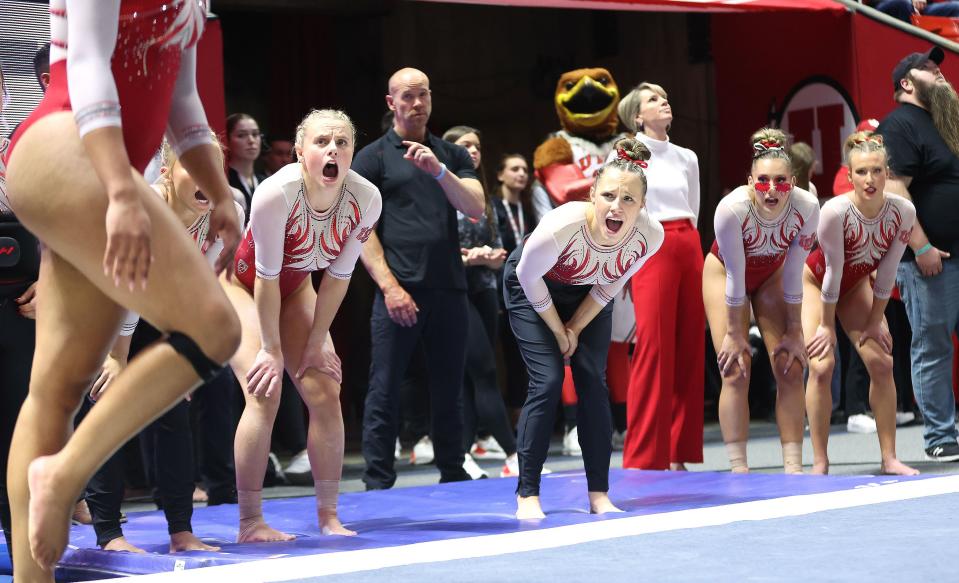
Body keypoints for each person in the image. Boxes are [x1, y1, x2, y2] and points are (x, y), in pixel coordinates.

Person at [3, 1, 242, 576]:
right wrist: (121, 190)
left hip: (96, 168)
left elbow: (183, 103)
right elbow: (86, 63)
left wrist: (222, 193)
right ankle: (62, 475)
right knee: (215, 328)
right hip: (64, 148)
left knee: (58, 391)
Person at [227, 109, 379, 541]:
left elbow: (338, 277)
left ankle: (329, 516)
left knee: (325, 389)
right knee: (265, 391)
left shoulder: (367, 199)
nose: (333, 149)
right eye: (321, 142)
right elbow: (265, 276)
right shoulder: (277, 193)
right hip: (241, 287)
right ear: (299, 151)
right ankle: (250, 521)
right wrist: (271, 350)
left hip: (297, 289)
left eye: (342, 142)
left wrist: (316, 343)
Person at [505, 137, 664, 519]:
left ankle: (599, 494)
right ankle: (528, 494)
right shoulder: (562, 225)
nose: (617, 206)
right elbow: (528, 277)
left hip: (589, 295)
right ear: (592, 194)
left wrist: (575, 327)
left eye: (628, 200)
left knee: (593, 380)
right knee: (546, 381)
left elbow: (609, 284)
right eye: (608, 195)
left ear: (642, 205)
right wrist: (560, 332)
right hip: (532, 287)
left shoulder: (650, 236)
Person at [353, 67, 485, 490]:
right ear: (391, 102)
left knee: (450, 384)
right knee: (385, 385)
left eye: (424, 95)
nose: (417, 104)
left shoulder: (452, 154)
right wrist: (389, 287)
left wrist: (439, 171)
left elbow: (477, 207)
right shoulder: (372, 157)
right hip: (398, 287)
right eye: (408, 96)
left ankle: (452, 469)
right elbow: (360, 229)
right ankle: (377, 479)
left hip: (448, 285)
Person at [704, 129, 819, 474]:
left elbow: (796, 270)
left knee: (791, 364)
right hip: (724, 273)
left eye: (782, 182)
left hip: (772, 274)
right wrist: (736, 334)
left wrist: (797, 330)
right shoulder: (732, 209)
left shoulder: (808, 207)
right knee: (736, 368)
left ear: (794, 182)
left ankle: (794, 466)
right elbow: (736, 280)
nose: (772, 190)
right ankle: (739, 468)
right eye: (764, 181)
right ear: (750, 182)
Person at [804, 132, 919, 476]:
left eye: (876, 171)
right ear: (849, 175)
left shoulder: (903, 211)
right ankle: (821, 461)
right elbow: (832, 272)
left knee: (882, 362)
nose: (870, 180)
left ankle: (889, 458)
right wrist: (826, 326)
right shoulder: (836, 211)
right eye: (861, 172)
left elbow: (886, 273)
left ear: (888, 173)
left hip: (855, 286)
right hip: (816, 283)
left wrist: (873, 322)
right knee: (822, 365)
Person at [615, 82, 704, 471]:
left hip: (688, 242)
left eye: (665, 97)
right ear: (637, 115)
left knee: (689, 346)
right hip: (652, 243)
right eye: (653, 99)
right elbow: (619, 206)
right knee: (653, 347)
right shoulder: (628, 155)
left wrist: (690, 243)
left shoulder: (687, 156)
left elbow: (694, 206)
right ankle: (644, 455)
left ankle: (677, 451)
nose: (663, 102)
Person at [878, 46, 959, 461]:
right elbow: (894, 189)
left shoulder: (945, 124)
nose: (940, 74)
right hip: (933, 258)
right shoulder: (900, 125)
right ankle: (941, 436)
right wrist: (921, 245)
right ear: (907, 83)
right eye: (929, 69)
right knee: (932, 345)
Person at [443, 125, 520, 478]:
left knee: (476, 374)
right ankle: (515, 453)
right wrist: (468, 259)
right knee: (482, 371)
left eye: (476, 146)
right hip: (455, 290)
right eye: (464, 146)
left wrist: (492, 256)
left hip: (486, 288)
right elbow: (436, 251)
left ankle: (461, 453)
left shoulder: (483, 194)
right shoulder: (439, 190)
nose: (473, 151)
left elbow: (500, 246)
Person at [493, 154, 539, 416]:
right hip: (494, 289)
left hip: (522, 292)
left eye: (524, 169)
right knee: (490, 358)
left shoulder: (528, 210)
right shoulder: (492, 207)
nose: (522, 173)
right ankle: (485, 429)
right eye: (514, 169)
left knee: (518, 358)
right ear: (500, 175)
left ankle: (518, 421)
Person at [226, 112, 266, 219]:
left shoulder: (266, 181)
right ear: (227, 140)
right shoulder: (224, 181)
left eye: (255, 134)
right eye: (241, 135)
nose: (251, 141)